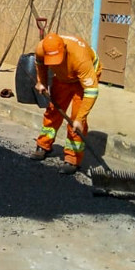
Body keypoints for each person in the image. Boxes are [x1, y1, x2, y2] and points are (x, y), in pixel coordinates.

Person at [30, 32, 102, 174]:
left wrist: (80, 119)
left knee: (76, 120)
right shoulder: (41, 48)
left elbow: (91, 91)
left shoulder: (80, 58)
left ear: (64, 50)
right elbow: (40, 64)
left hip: (83, 80)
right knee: (52, 111)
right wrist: (42, 82)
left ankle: (72, 158)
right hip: (63, 77)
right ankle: (43, 145)